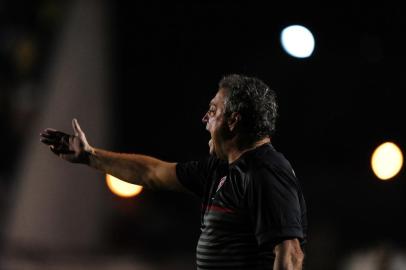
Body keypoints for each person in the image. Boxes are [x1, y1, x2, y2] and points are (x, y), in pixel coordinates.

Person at [40, 74, 307, 270]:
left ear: (233, 120)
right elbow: (152, 173)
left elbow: (290, 255)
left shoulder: (266, 171)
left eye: (213, 110)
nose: (205, 118)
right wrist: (90, 156)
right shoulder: (220, 169)